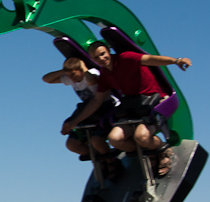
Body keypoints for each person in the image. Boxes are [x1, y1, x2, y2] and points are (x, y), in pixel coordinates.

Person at [61, 41, 191, 177]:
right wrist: (75, 121)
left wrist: (177, 61)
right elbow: (97, 100)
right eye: (96, 57)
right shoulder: (105, 74)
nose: (101, 59)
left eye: (103, 54)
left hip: (154, 101)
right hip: (133, 106)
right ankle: (146, 152)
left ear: (108, 51)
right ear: (91, 59)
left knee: (141, 136)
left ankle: (162, 150)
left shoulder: (126, 58)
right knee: (114, 139)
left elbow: (150, 59)